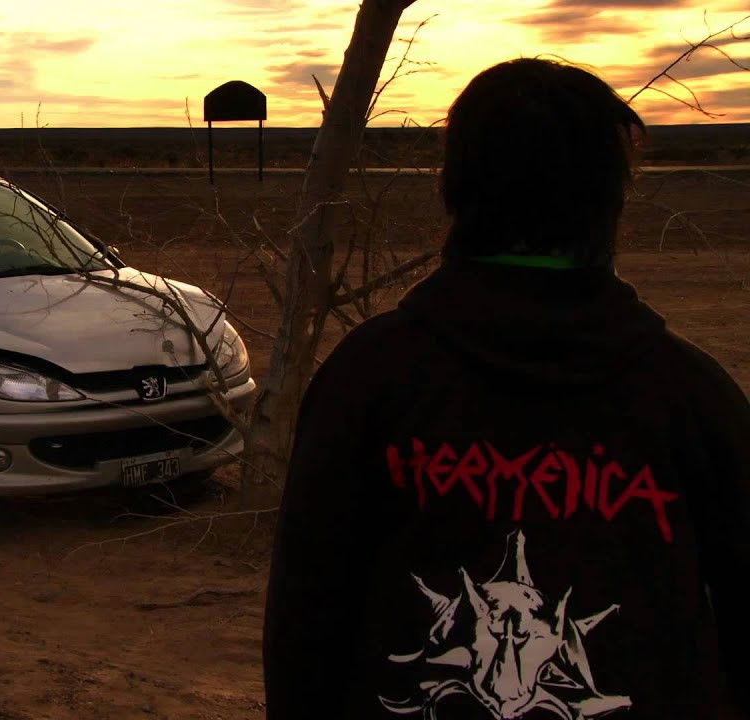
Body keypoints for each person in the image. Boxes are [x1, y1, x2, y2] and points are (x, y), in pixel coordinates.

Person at [263, 58, 748, 720]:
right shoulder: (691, 396)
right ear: (611, 196)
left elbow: (304, 623)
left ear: (454, 188)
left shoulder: (367, 379)